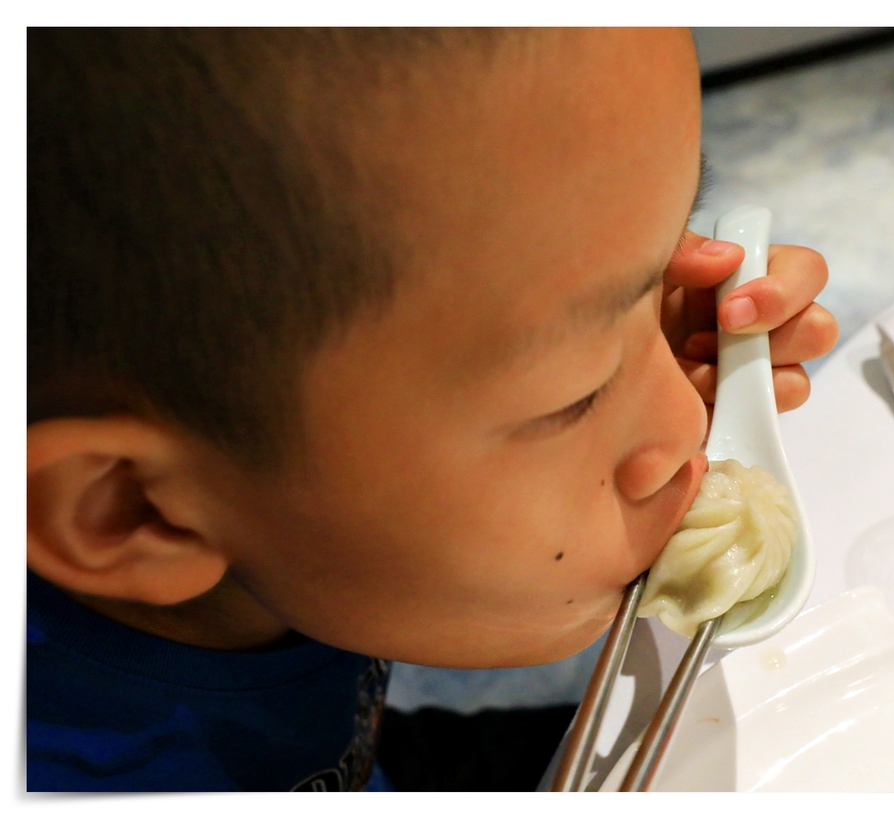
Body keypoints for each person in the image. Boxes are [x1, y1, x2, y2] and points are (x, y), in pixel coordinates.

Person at [26, 28, 837, 790]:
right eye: (573, 393)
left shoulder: (290, 550)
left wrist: (627, 315)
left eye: (668, 258)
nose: (687, 424)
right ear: (130, 508)